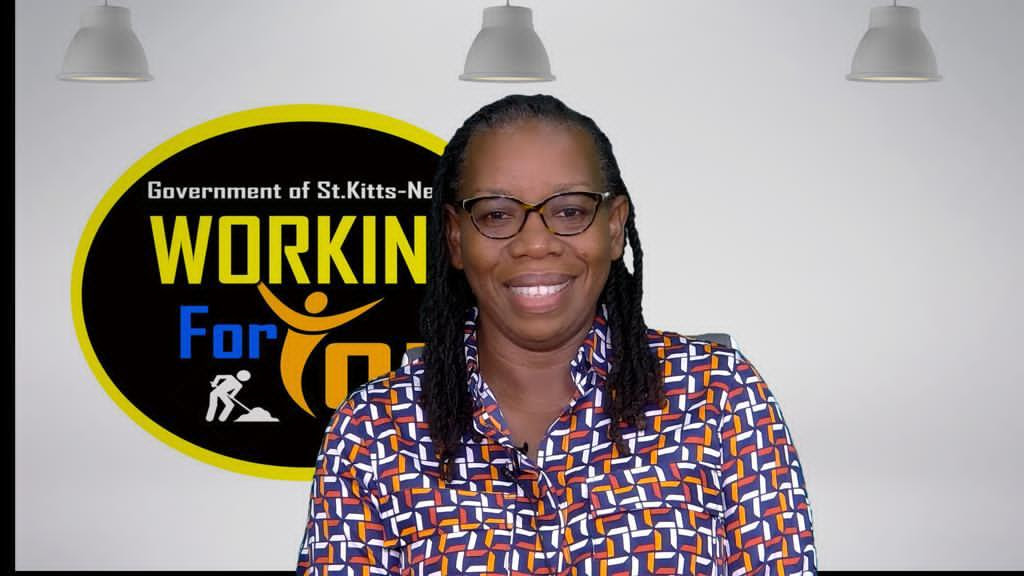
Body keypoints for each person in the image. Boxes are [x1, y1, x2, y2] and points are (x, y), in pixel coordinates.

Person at [296, 94, 816, 575]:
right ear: (455, 237)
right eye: (496, 215)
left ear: (614, 227)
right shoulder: (375, 431)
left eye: (569, 211)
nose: (535, 243)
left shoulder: (719, 398)